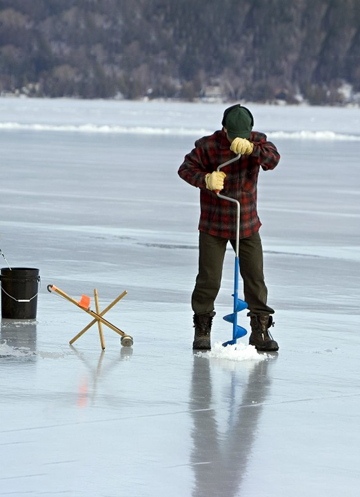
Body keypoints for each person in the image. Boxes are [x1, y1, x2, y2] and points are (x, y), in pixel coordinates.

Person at [178, 104, 280, 352]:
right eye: (234, 135)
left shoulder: (257, 142)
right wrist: (205, 179)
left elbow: (272, 160)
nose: (238, 139)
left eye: (243, 136)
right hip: (214, 222)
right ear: (224, 129)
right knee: (208, 279)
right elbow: (185, 169)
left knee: (255, 277)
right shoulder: (208, 145)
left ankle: (260, 330)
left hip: (245, 222)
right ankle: (202, 328)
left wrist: (253, 149)